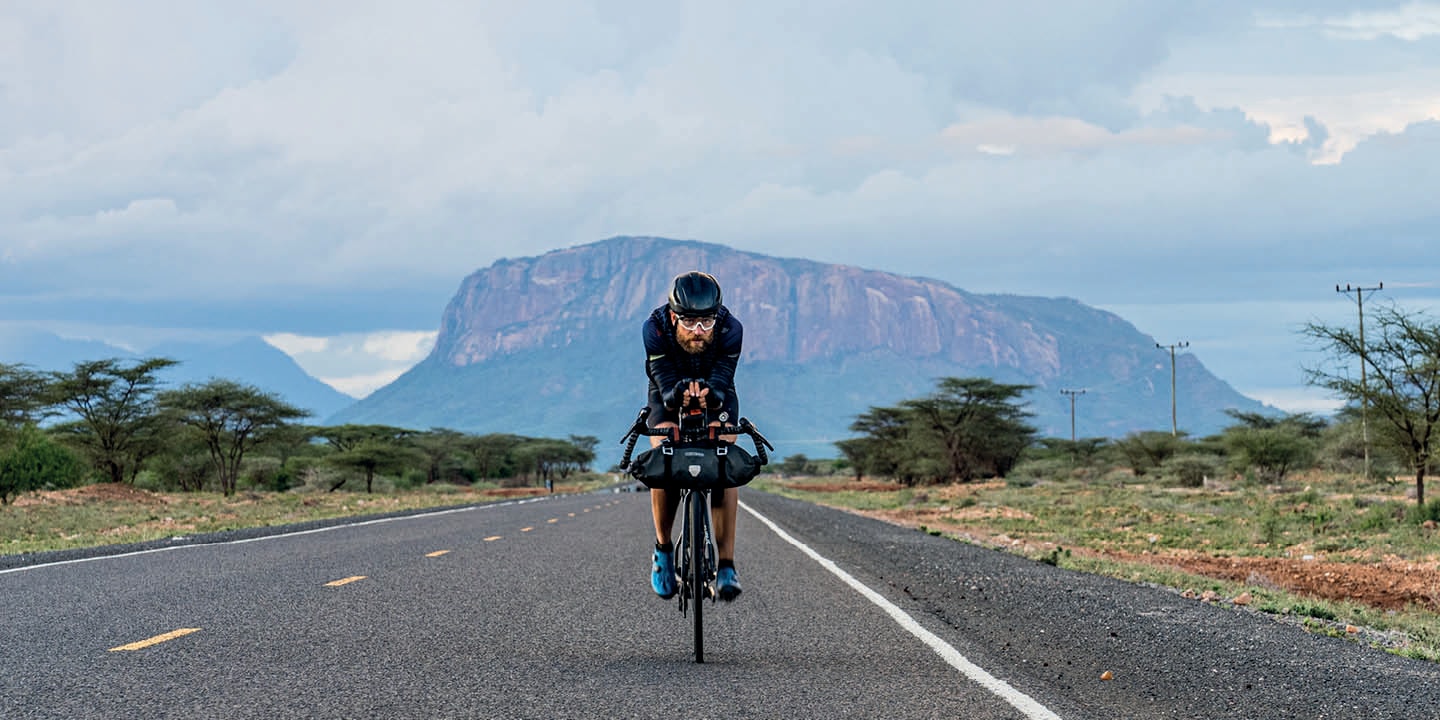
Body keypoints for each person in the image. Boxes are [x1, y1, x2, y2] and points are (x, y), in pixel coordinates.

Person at [642, 270, 744, 601]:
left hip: (718, 387)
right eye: (689, 322)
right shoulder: (654, 327)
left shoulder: (731, 329)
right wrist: (674, 395)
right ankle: (663, 551)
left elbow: (724, 374)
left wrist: (711, 394)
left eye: (706, 322)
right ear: (674, 315)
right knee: (665, 459)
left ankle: (726, 565)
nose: (699, 331)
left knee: (723, 465)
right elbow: (661, 374)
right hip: (666, 388)